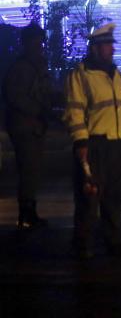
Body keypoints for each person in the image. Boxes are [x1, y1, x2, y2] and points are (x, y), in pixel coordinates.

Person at [63, 23, 121, 259]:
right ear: (95, 48)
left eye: (112, 45)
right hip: (94, 145)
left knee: (115, 198)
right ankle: (83, 245)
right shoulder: (81, 75)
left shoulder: (116, 75)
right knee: (89, 198)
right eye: (107, 46)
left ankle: (115, 243)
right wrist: (81, 143)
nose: (112, 50)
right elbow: (75, 112)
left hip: (117, 146)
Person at [2, 22, 58, 230]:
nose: (40, 44)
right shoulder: (24, 67)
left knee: (32, 171)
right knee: (29, 170)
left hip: (30, 124)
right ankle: (26, 214)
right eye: (37, 40)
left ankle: (29, 212)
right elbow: (16, 97)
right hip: (25, 126)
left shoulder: (33, 66)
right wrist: (37, 113)